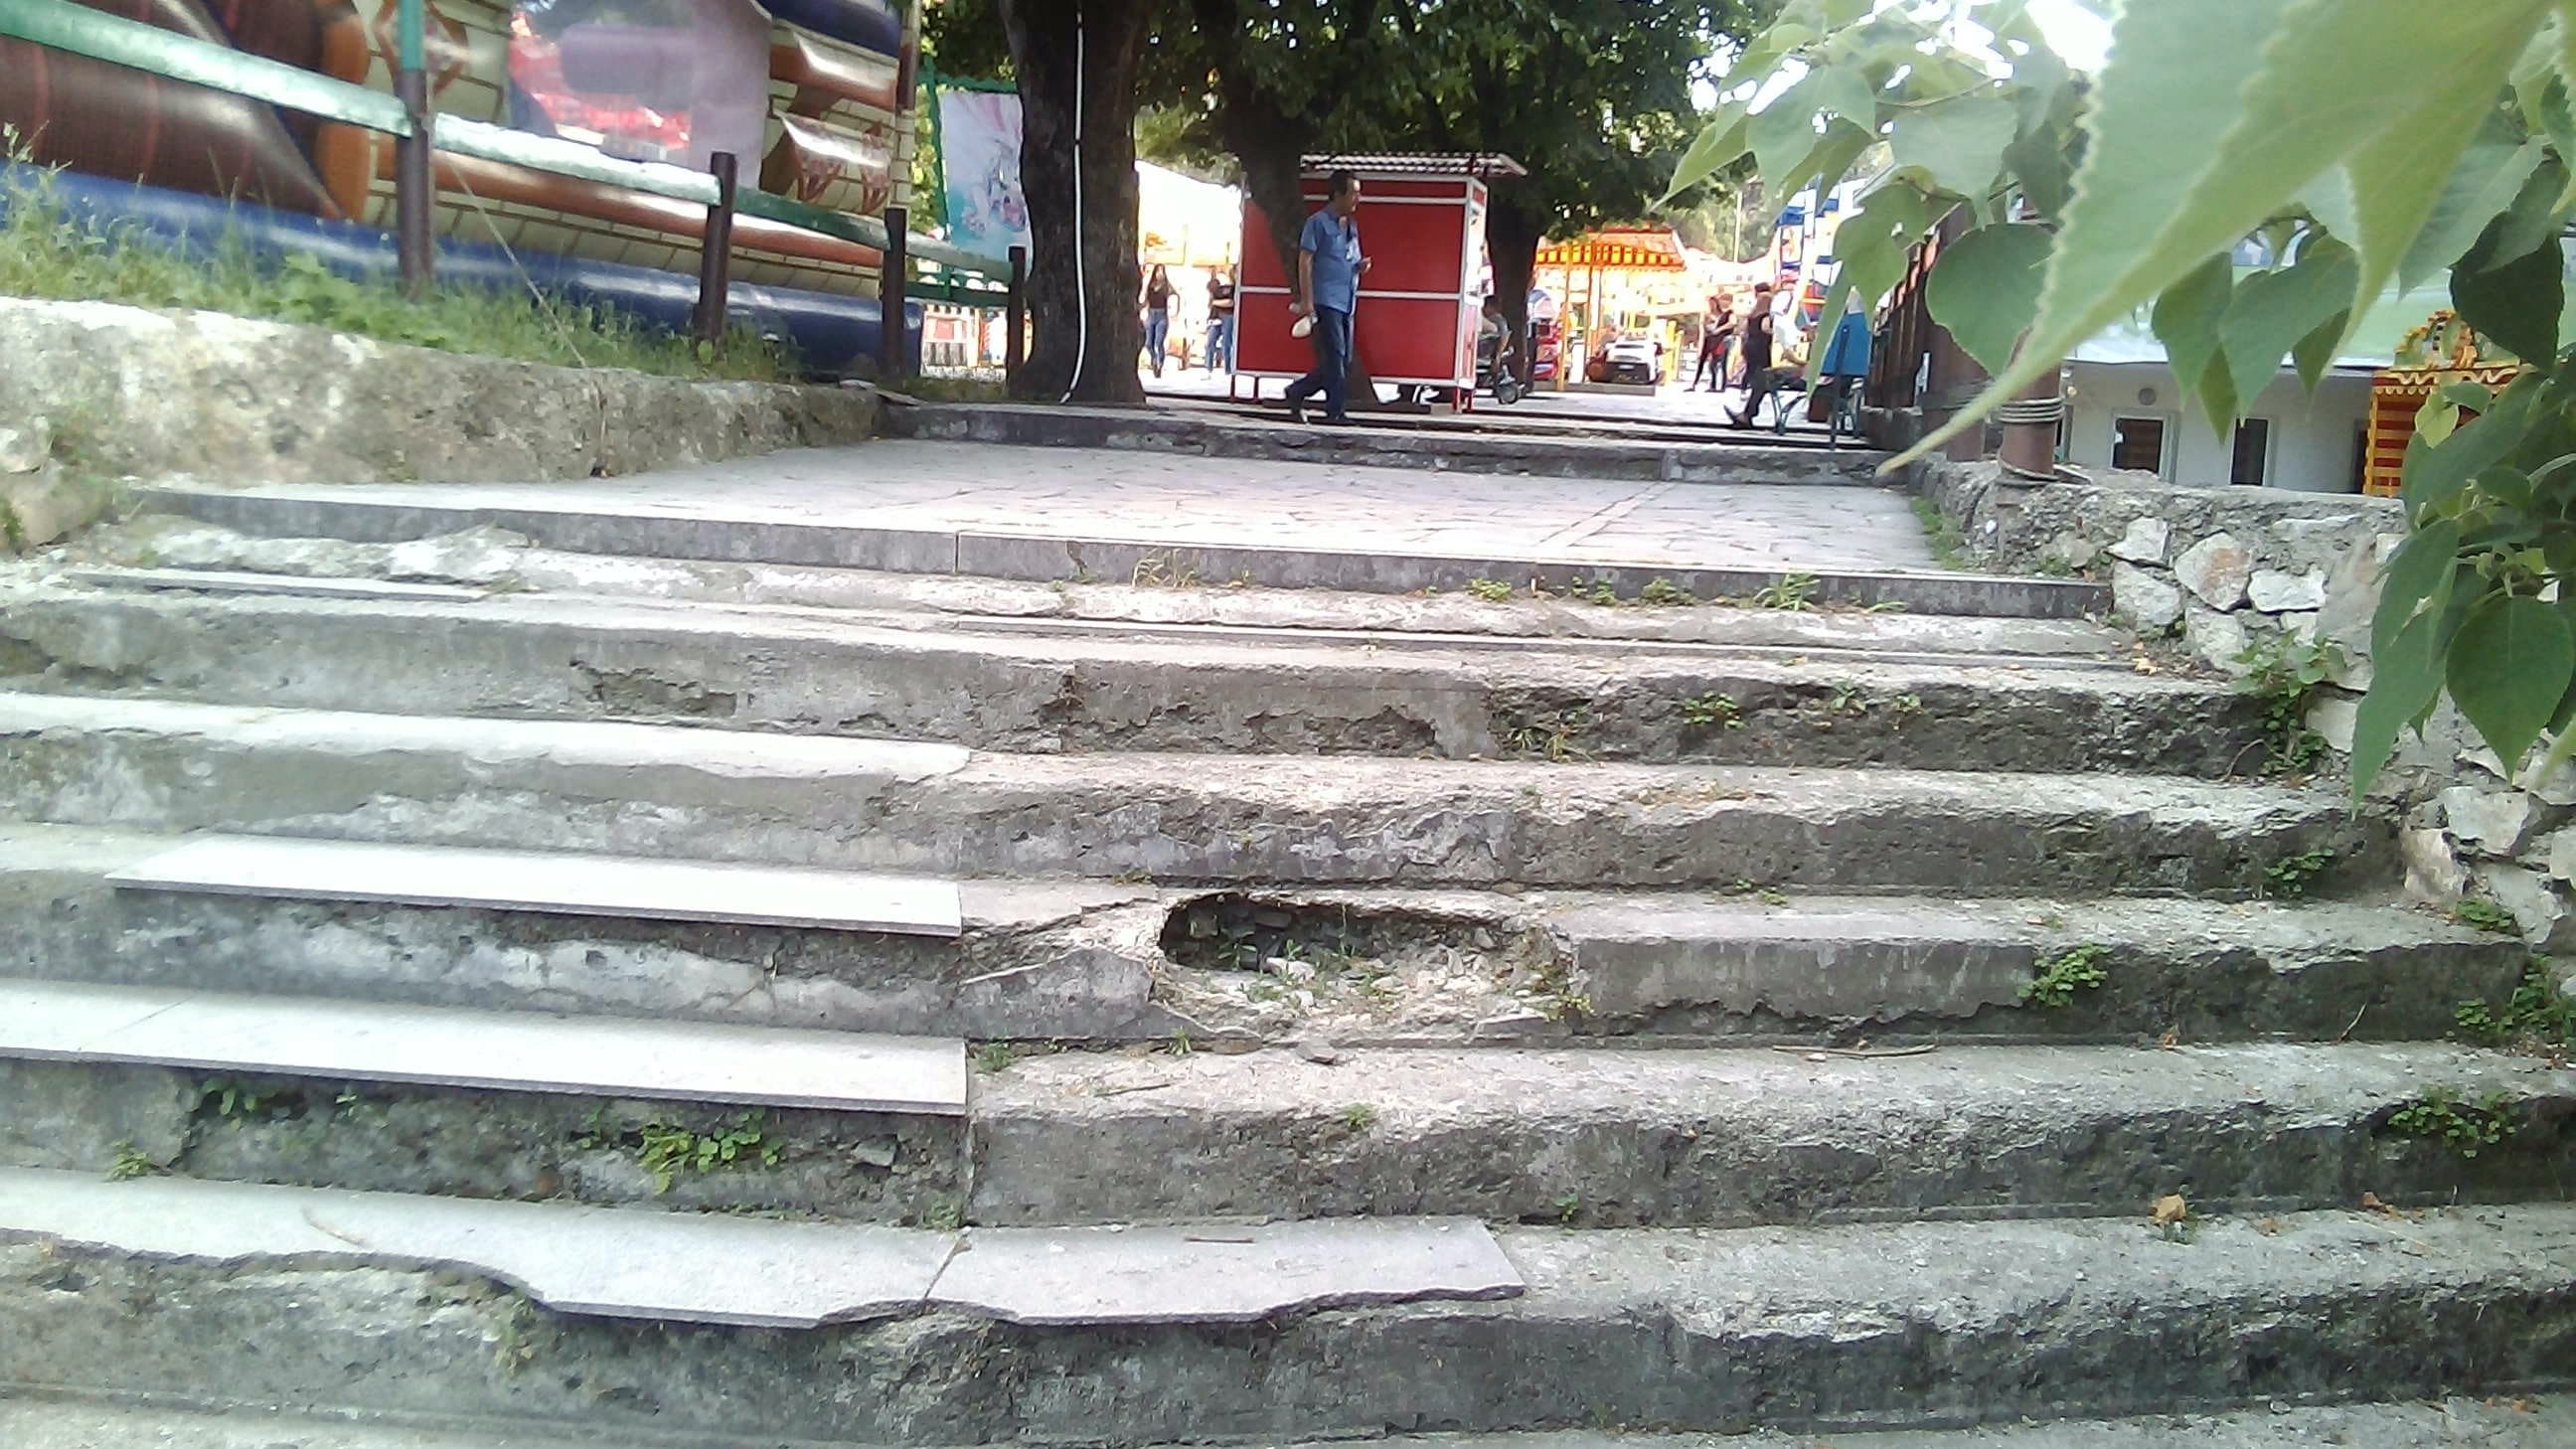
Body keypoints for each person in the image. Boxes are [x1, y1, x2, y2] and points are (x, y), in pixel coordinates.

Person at [1285, 169, 1368, 425]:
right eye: (1353, 193)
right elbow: (1305, 261)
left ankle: (1297, 391)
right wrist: (1307, 301)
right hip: (1326, 299)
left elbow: (1349, 258)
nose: (1357, 199)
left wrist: (1359, 266)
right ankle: (1335, 411)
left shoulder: (1351, 227)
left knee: (1343, 359)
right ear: (1337, 194)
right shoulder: (1317, 223)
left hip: (1347, 300)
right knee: (1336, 355)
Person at [1730, 281, 1780, 428]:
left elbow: (1743, 330)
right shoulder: (1766, 316)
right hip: (1761, 349)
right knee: (1761, 381)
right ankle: (1749, 413)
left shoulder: (1752, 316)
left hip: (1750, 347)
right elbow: (1765, 328)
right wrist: (1776, 332)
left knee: (1756, 379)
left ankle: (1748, 412)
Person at [1691, 293, 1735, 392]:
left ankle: (1720, 386)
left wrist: (1719, 329)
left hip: (1721, 340)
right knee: (1709, 363)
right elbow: (1703, 329)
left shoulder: (1727, 313)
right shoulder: (1707, 314)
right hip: (1710, 339)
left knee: (1720, 362)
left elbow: (1732, 322)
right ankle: (1701, 384)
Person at [1142, 264, 1174, 379]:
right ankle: (1154, 359)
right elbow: (1146, 301)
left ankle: (1160, 364)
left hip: (1162, 315)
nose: (1159, 274)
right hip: (1151, 314)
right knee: (1148, 343)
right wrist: (1140, 307)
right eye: (1158, 271)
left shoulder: (1167, 287)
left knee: (1158, 342)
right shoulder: (1150, 286)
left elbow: (1177, 296)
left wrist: (1175, 311)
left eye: (1162, 271)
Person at [1205, 264, 1236, 373]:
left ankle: (1228, 369)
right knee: (1210, 341)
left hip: (1228, 315)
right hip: (1215, 316)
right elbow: (1210, 300)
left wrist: (1215, 302)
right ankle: (1208, 368)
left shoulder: (1233, 287)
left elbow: (1230, 302)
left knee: (1226, 343)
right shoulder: (1215, 285)